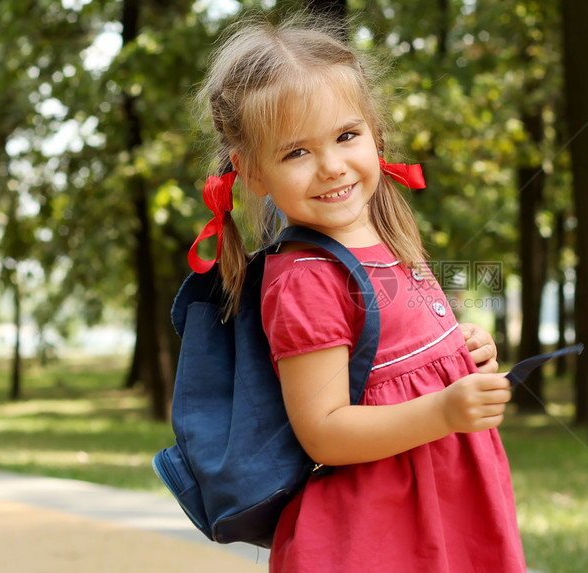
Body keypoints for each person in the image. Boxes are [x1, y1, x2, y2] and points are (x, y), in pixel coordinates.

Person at [190, 13, 525, 573]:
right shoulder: (306, 276)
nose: (331, 167)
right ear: (250, 173)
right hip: (376, 535)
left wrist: (461, 348)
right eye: (296, 152)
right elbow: (324, 431)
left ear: (375, 133)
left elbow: (400, 354)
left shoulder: (387, 234)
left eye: (346, 136)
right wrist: (443, 409)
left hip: (443, 512)